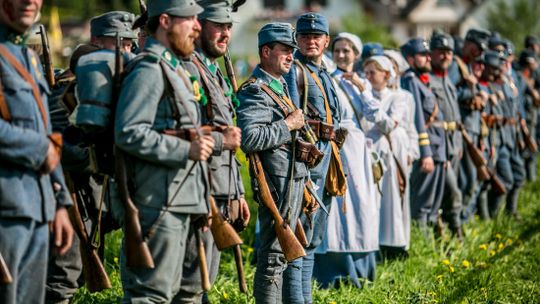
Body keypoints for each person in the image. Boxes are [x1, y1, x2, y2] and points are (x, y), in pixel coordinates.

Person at [113, 0, 216, 302]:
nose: (198, 27)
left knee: (168, 294)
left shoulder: (173, 69)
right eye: (191, 20)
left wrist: (201, 198)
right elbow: (128, 132)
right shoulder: (149, 69)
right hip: (156, 205)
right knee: (149, 296)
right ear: (166, 21)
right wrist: (186, 149)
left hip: (178, 200)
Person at [45, 12, 137, 303]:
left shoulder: (117, 88)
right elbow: (64, 150)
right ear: (96, 43)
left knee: (76, 275)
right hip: (70, 197)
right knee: (62, 278)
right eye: (119, 44)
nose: (127, 52)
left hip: (94, 199)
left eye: (130, 45)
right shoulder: (66, 90)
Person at [0, 0, 74, 303]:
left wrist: (58, 202)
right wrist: (39, 147)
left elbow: (46, 132)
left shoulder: (25, 57)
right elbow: (44, 143)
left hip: (36, 208)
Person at [177, 1, 250, 302]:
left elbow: (227, 136)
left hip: (222, 190)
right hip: (200, 192)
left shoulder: (212, 69)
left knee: (204, 283)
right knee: (190, 284)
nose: (225, 33)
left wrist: (238, 193)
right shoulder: (188, 68)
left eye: (229, 26)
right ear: (198, 25)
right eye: (217, 26)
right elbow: (191, 135)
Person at [236, 22, 308, 304]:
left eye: (292, 51)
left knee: (282, 258)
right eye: (285, 50)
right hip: (275, 184)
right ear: (266, 52)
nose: (291, 55)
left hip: (290, 180)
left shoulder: (277, 87)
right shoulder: (255, 90)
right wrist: (289, 124)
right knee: (273, 258)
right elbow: (250, 138)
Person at [283, 13, 346, 304]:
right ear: (297, 40)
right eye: (305, 36)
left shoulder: (325, 75)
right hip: (306, 165)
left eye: (316, 36)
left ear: (326, 41)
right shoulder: (294, 72)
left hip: (326, 162)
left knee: (313, 240)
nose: (311, 41)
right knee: (299, 238)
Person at [313, 32, 381, 288]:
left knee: (360, 209)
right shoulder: (327, 80)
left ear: (356, 55)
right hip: (335, 148)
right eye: (338, 50)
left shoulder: (362, 82)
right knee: (336, 212)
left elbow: (375, 114)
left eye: (347, 51)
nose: (341, 55)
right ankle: (332, 272)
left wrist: (363, 90)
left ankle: (361, 269)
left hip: (358, 153)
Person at [362, 56, 413, 255]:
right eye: (365, 73)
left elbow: (390, 124)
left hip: (390, 153)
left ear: (386, 74)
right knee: (372, 198)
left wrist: (368, 101)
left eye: (372, 72)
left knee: (392, 196)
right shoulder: (363, 94)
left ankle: (394, 243)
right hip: (369, 151)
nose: (368, 77)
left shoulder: (398, 97)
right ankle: (373, 242)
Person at [401, 38, 447, 230]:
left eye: (428, 55)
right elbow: (418, 118)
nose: (429, 58)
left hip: (438, 147)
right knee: (422, 204)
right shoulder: (411, 81)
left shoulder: (422, 81)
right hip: (429, 149)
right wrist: (425, 152)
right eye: (423, 55)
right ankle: (422, 246)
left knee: (433, 203)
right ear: (411, 59)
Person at [429, 33, 464, 237]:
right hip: (439, 144)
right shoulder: (428, 80)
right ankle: (456, 231)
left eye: (449, 52)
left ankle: (450, 232)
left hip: (454, 143)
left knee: (452, 189)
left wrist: (457, 145)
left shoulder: (448, 80)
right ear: (432, 54)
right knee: (452, 192)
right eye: (441, 52)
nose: (445, 56)